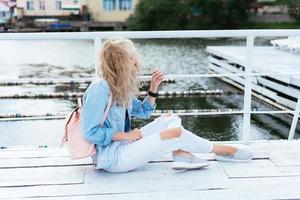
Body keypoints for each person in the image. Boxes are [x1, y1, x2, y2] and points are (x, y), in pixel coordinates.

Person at [81, 38, 253, 173]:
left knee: (171, 119)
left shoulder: (119, 86)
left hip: (125, 147)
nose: (137, 60)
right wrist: (125, 136)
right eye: (133, 56)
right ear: (122, 61)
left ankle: (181, 154)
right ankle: (219, 150)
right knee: (174, 133)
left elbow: (143, 112)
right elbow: (90, 133)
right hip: (112, 158)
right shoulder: (99, 89)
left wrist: (153, 87)